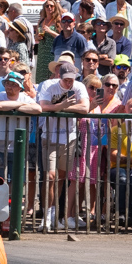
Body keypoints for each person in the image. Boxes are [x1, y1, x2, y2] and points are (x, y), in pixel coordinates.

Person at [37, 61, 90, 231]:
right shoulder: (49, 86)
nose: (69, 83)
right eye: (66, 79)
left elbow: (85, 107)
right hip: (50, 136)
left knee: (60, 178)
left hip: (69, 138)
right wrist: (61, 106)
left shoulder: (79, 86)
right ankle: (46, 214)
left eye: (72, 79)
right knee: (50, 176)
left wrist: (61, 109)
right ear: (60, 76)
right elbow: (43, 106)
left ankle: (54, 215)